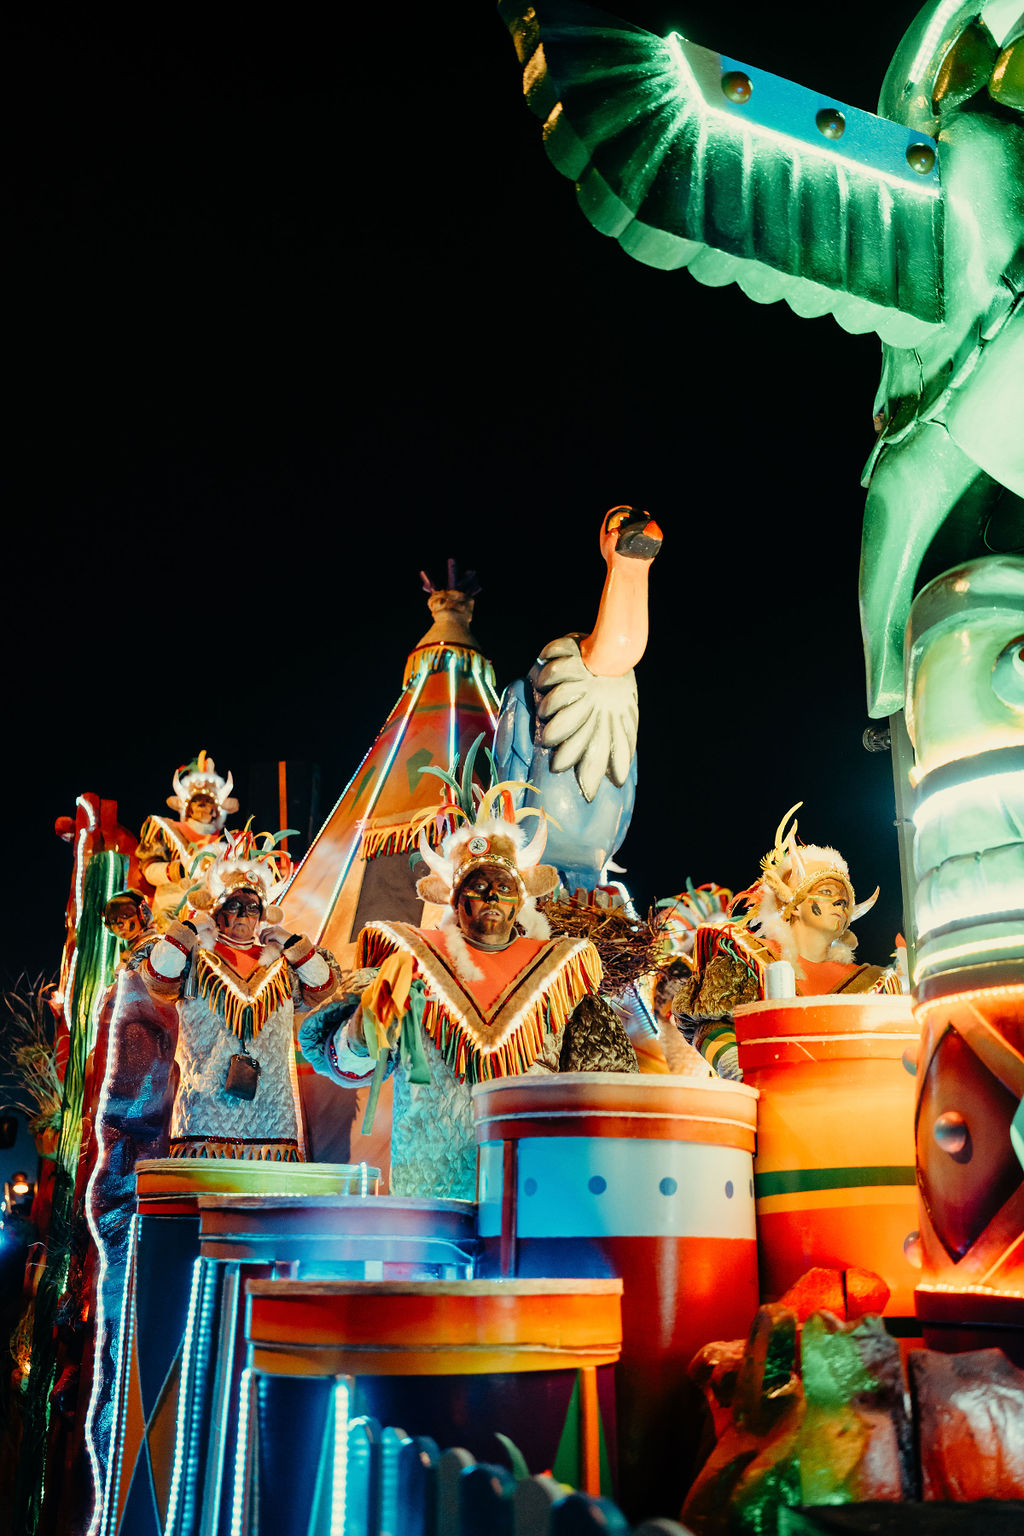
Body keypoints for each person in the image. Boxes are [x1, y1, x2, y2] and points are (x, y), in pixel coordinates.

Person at [300, 769, 634, 1199]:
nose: (492, 895)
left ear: (521, 901)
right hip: (430, 1192)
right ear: (455, 900)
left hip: (532, 1186)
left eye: (503, 886)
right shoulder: (410, 962)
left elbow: (607, 1084)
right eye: (478, 885)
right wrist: (362, 1030)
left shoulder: (561, 973)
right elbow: (344, 1064)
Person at [139, 829, 340, 1159]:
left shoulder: (281, 965)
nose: (244, 914)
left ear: (263, 915)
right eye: (234, 905)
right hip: (204, 1113)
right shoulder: (195, 957)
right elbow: (156, 979)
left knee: (266, 1189)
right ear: (216, 911)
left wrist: (292, 943)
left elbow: (324, 987)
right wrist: (189, 930)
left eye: (252, 907)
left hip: (271, 1118)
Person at [674, 804, 900, 1079]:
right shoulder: (748, 957)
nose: (840, 902)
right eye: (827, 891)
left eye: (845, 898)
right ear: (790, 904)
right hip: (771, 1096)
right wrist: (741, 1069)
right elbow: (708, 1027)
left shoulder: (874, 982)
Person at [136, 750, 239, 926]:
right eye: (198, 802)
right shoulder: (166, 829)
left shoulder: (228, 842)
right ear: (189, 808)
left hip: (210, 916)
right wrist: (179, 870)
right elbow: (149, 871)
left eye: (208, 802)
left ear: (216, 811)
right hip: (171, 910)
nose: (203, 806)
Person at [101, 888, 156, 966]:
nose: (120, 924)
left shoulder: (152, 944)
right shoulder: (127, 946)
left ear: (143, 914)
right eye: (113, 919)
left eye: (125, 915)